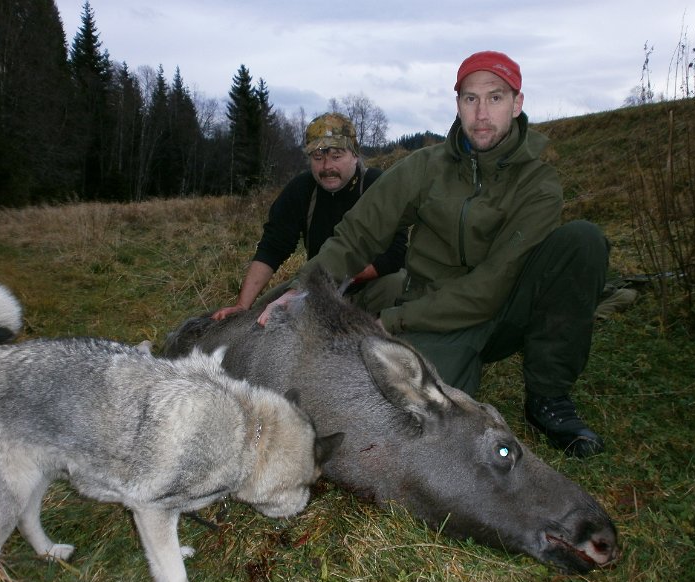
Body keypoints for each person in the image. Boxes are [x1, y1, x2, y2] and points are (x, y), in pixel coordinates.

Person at [259, 51, 611, 459]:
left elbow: (490, 287)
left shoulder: (538, 183)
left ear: (517, 104)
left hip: (506, 309)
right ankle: (454, 366)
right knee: (416, 421)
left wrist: (391, 321)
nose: (481, 113)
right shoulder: (423, 167)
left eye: (495, 98)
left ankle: (548, 398)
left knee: (582, 240)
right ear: (457, 103)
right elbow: (358, 232)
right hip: (435, 313)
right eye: (469, 99)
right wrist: (305, 289)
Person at [212, 113, 407, 320]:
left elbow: (396, 253)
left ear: (355, 156)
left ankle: (384, 338)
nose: (326, 167)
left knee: (396, 283)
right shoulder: (301, 189)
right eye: (318, 157)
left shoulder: (377, 185)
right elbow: (273, 247)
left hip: (367, 286)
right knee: (259, 318)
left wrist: (335, 280)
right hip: (319, 286)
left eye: (336, 156)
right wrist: (243, 305)